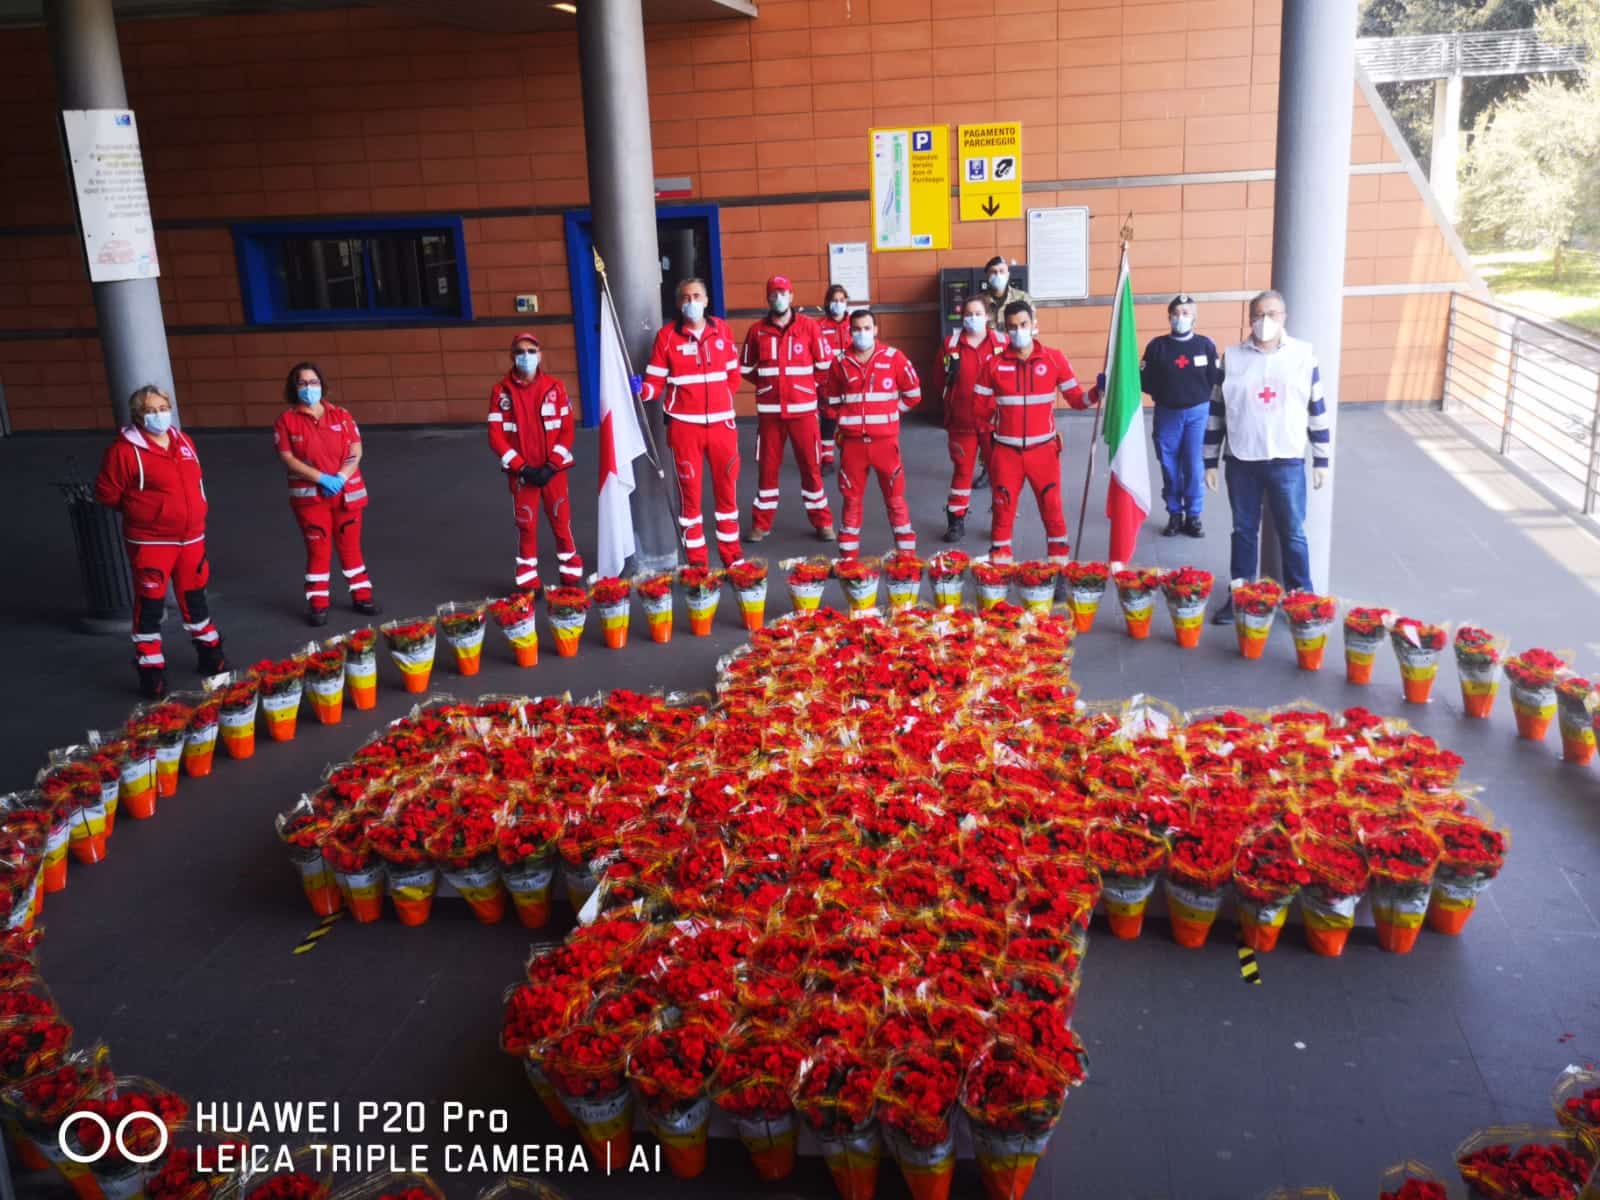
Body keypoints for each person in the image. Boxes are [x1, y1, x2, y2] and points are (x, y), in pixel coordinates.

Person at [1204, 289, 1332, 624]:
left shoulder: (1303, 356)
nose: (1266, 321)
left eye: (1273, 314)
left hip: (1286, 460)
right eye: (1259, 314)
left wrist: (1321, 458)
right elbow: (1216, 410)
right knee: (1243, 530)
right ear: (1250, 319)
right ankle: (1242, 597)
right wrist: (1209, 460)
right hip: (1242, 460)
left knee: (1292, 532)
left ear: (1284, 317)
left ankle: (1302, 598)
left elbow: (1316, 407)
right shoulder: (1231, 358)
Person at [93, 385, 227, 699]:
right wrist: (145, 512)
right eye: (151, 410)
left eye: (162, 407)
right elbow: (107, 493)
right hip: (152, 542)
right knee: (151, 605)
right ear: (138, 416)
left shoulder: (183, 442)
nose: (158, 414)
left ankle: (211, 655)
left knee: (195, 599)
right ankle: (151, 671)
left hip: (192, 537)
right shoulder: (124, 451)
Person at [975, 301, 1098, 565]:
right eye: (1012, 327)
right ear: (1005, 330)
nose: (1018, 331)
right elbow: (979, 412)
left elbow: (1077, 400)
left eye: (1023, 325)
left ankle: (1059, 567)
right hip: (1006, 453)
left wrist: (1097, 392)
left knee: (1052, 510)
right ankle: (999, 571)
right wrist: (990, 450)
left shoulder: (1054, 358)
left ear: (1033, 325)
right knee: (1002, 510)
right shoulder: (993, 365)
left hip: (1044, 452)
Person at [638, 277, 744, 569]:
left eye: (697, 296)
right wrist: (642, 390)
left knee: (727, 494)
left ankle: (733, 557)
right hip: (685, 428)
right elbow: (655, 382)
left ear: (707, 301)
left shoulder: (722, 330)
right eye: (685, 297)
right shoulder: (667, 337)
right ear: (678, 303)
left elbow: (732, 375)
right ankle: (697, 564)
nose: (691, 302)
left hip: (723, 426)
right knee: (690, 499)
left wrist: (722, 399)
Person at [273, 363, 379, 626]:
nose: (309, 388)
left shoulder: (341, 415)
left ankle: (362, 596)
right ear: (293, 388)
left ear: (322, 384)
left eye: (313, 382)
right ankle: (318, 604)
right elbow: (287, 457)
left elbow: (356, 448)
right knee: (318, 549)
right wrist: (320, 478)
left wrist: (341, 476)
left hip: (346, 494)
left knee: (351, 548)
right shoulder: (286, 421)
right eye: (302, 383)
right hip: (311, 498)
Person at [740, 274, 836, 543]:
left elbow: (825, 366)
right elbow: (746, 369)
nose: (778, 297)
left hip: (803, 412)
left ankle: (823, 522)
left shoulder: (809, 328)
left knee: (811, 468)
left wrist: (805, 386)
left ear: (792, 296)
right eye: (773, 293)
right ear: (767, 298)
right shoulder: (756, 331)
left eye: (783, 292)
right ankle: (761, 524)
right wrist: (770, 385)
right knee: (767, 469)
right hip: (771, 413)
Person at [821, 308, 921, 560]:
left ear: (876, 330)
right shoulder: (840, 363)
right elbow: (830, 402)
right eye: (856, 329)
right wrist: (845, 422)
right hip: (853, 447)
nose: (861, 333)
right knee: (851, 502)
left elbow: (913, 394)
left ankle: (907, 559)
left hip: (885, 445)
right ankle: (848, 559)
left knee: (896, 501)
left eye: (867, 328)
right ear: (849, 331)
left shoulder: (894, 358)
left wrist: (890, 414)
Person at [487, 333, 581, 594]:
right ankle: (528, 582)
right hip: (523, 475)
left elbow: (567, 431)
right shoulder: (501, 391)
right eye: (519, 351)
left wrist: (551, 466)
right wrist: (522, 468)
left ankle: (571, 575)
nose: (525, 356)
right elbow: (495, 437)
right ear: (511, 356)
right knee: (526, 526)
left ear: (540, 355)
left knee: (561, 522)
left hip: (554, 472)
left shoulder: (555, 387)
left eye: (530, 350)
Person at [1141, 295, 1223, 538]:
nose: (1181, 317)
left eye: (1186, 313)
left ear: (1194, 318)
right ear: (1169, 317)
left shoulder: (1205, 345)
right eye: (1176, 313)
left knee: (1194, 465)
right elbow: (1145, 379)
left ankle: (1194, 516)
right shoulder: (1157, 346)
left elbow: (1215, 378)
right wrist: (1165, 394)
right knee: (1169, 465)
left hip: (1198, 414)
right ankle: (1175, 514)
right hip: (1167, 413)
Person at [933, 294, 1006, 543]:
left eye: (977, 313)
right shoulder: (950, 344)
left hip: (995, 423)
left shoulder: (1002, 343)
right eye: (967, 314)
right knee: (962, 472)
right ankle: (956, 520)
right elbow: (939, 379)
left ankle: (1001, 521)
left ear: (987, 316)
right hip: (961, 422)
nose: (972, 318)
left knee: (1000, 473)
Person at [814, 283, 853, 474]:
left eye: (841, 300)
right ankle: (826, 459)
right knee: (828, 421)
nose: (838, 304)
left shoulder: (854, 325)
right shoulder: (818, 327)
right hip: (827, 383)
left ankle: (850, 458)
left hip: (851, 382)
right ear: (828, 303)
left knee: (850, 421)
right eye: (834, 300)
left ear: (846, 302)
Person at [978, 256, 1032, 328]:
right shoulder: (979, 301)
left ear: (1008, 274)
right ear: (987, 276)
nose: (998, 275)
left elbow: (1030, 327)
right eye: (994, 272)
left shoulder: (1023, 298)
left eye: (1002, 271)